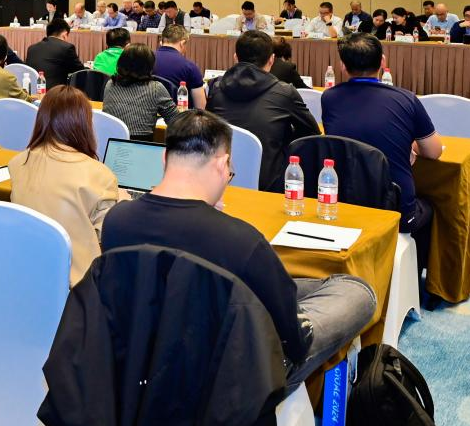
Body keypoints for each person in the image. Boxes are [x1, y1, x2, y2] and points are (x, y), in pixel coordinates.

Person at [100, 111, 378, 388]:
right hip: (226, 381)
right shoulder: (241, 241)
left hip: (142, 364)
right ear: (223, 164)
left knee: (287, 287)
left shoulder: (116, 221)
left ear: (164, 158)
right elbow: (293, 341)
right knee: (356, 290)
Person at [322, 34, 443, 271]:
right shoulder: (405, 99)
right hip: (394, 210)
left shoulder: (329, 98)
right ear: (383, 62)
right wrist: (409, 144)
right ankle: (416, 282)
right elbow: (434, 151)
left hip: (344, 204)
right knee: (430, 208)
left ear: (342, 66)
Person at [8, 86, 127, 285]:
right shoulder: (100, 175)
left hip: (25, 275)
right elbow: (106, 238)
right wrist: (121, 204)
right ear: (84, 123)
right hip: (77, 285)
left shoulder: (17, 164)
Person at [205, 31, 319, 191]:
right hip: (269, 186)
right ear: (271, 60)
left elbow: (208, 131)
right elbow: (312, 134)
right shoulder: (285, 93)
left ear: (235, 58)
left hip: (219, 181)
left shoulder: (215, 88)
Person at [102, 44, 180, 141]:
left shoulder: (110, 84)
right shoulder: (155, 88)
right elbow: (177, 122)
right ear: (149, 66)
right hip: (141, 146)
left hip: (110, 144)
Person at [153, 24, 206, 109]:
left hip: (146, 113)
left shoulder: (145, 60)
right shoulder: (190, 67)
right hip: (177, 115)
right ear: (182, 43)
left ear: (161, 42)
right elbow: (200, 107)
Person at [26, 19, 86, 90]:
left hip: (32, 92)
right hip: (55, 93)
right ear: (65, 34)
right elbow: (80, 71)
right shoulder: (67, 48)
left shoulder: (31, 48)